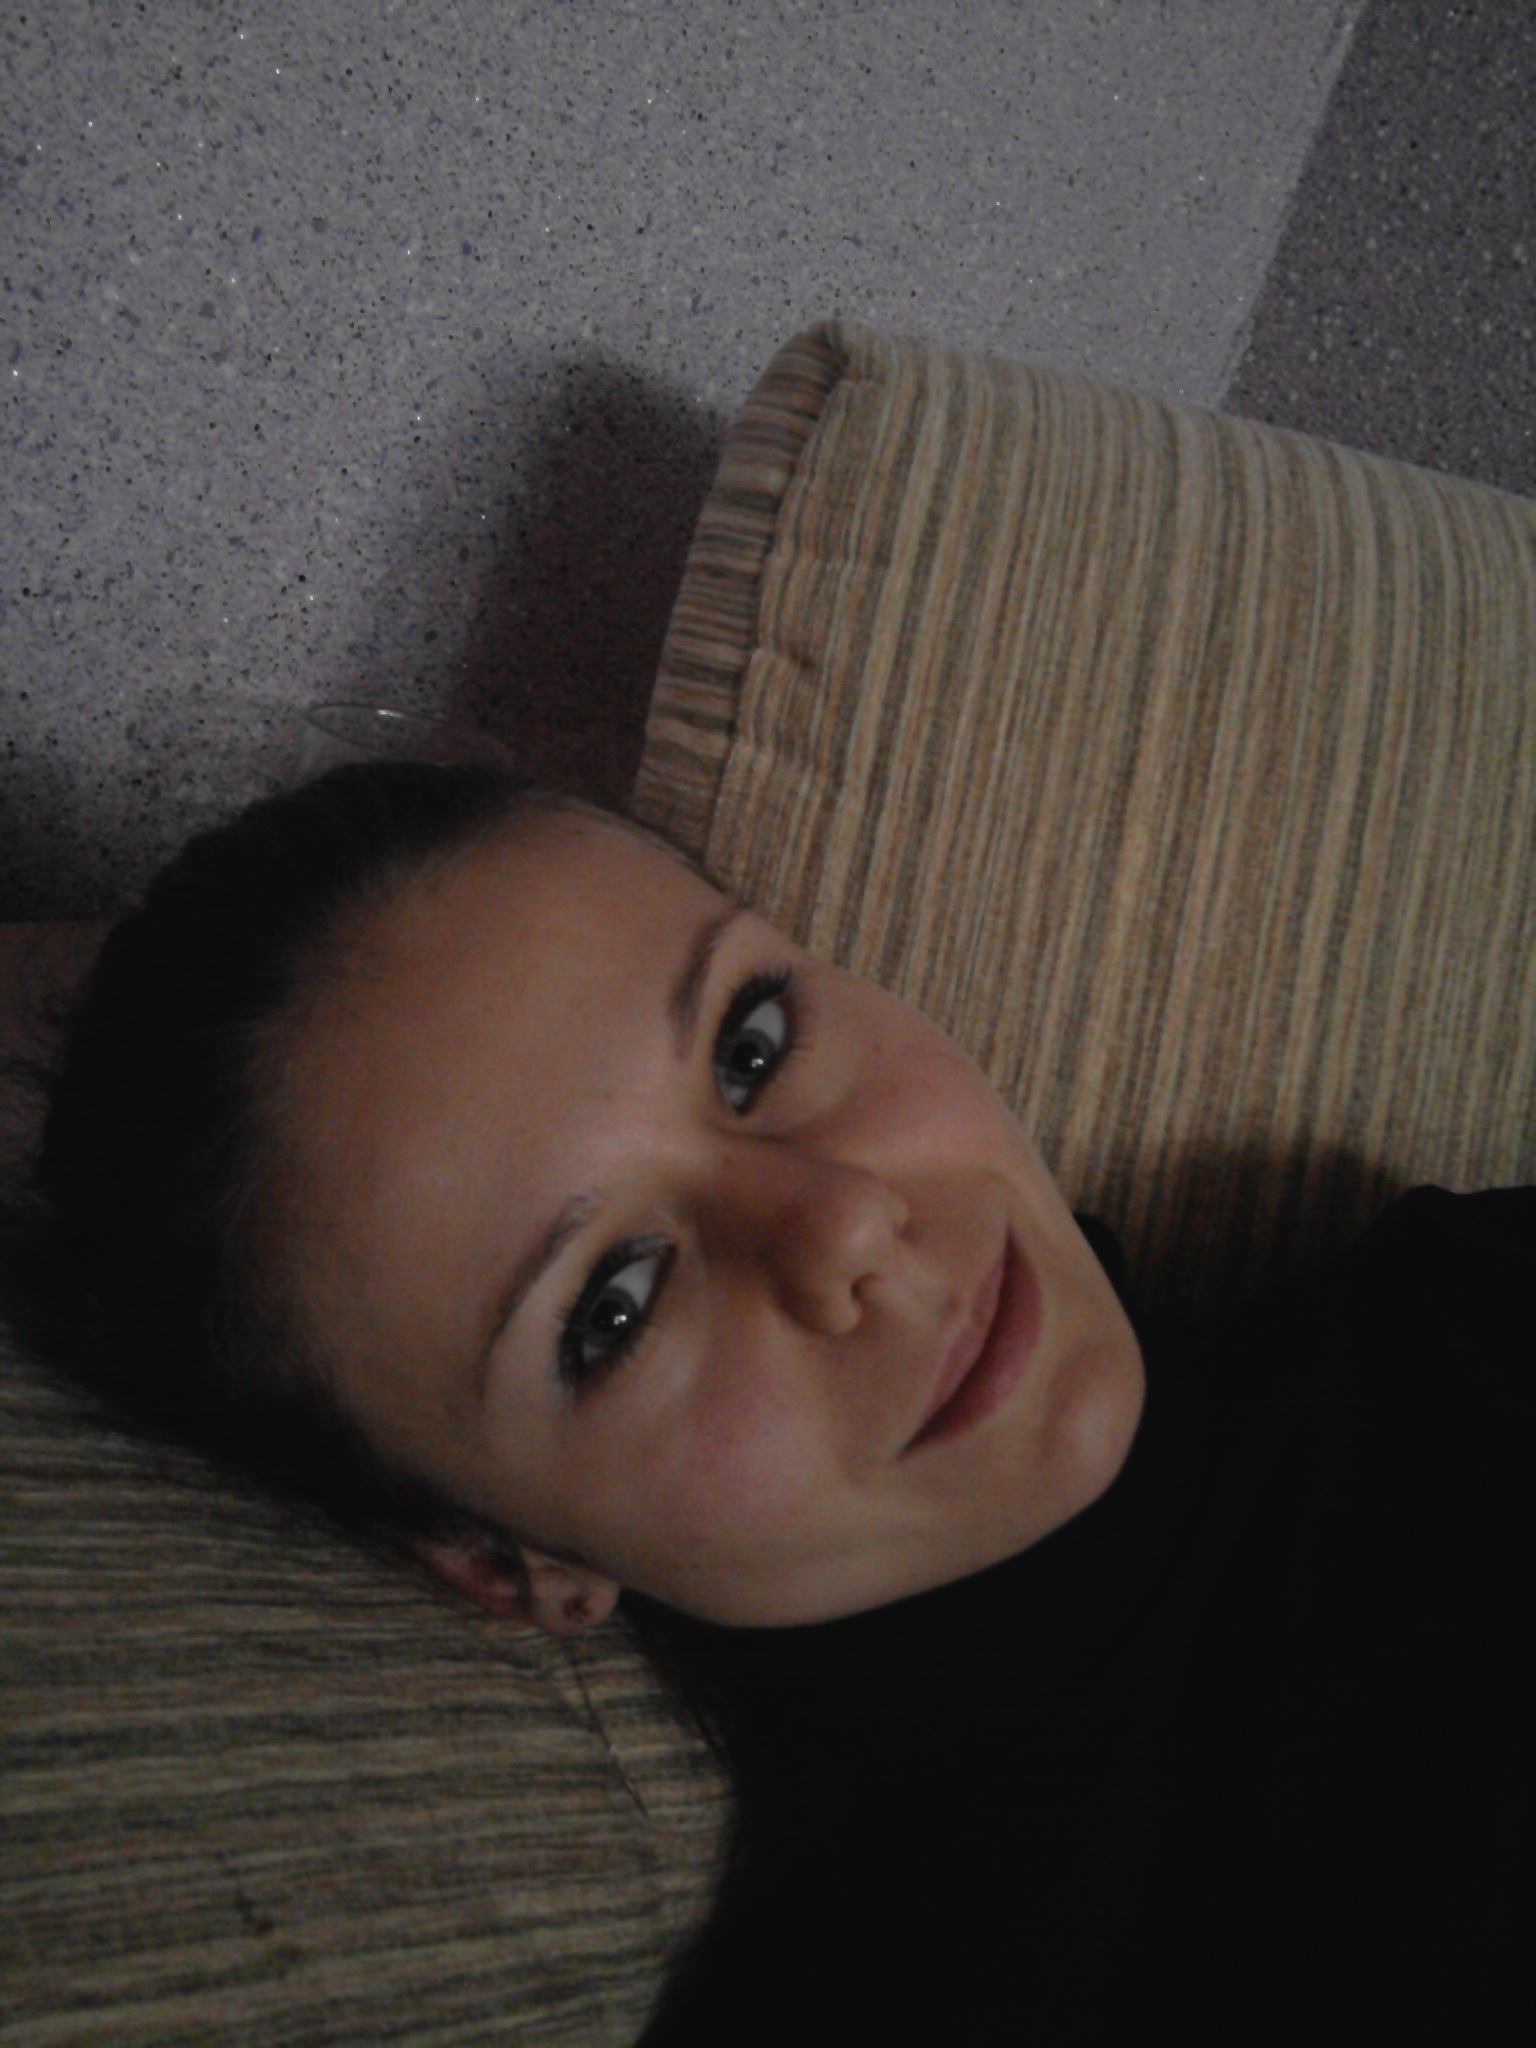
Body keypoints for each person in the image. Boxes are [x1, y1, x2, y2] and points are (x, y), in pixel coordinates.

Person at [0, 760, 1526, 2039]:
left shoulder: (1461, 1296)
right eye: (612, 1307)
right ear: (508, 1565)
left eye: (752, 1044)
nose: (842, 1222)